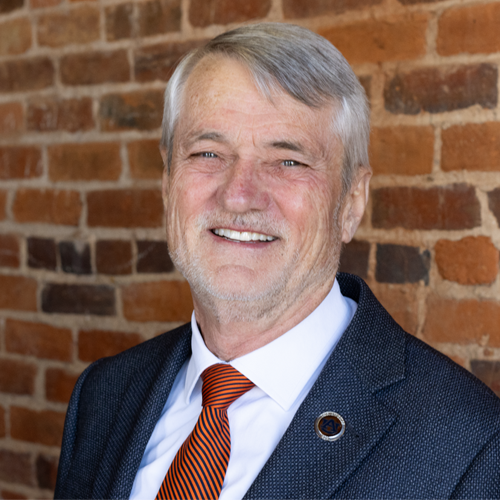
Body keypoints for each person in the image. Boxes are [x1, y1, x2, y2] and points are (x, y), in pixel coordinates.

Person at [54, 23, 500, 499]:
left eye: (288, 161)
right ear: (168, 186)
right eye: (208, 152)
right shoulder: (102, 396)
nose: (239, 195)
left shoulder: (469, 450)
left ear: (351, 201)